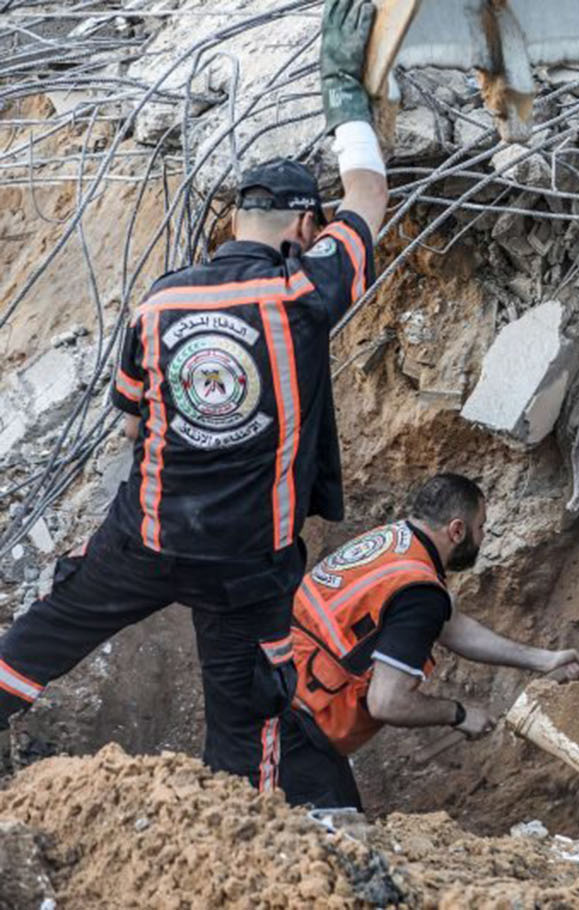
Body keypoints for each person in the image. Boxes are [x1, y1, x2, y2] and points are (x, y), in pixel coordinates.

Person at [0, 0, 388, 791]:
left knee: (32, 646)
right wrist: (345, 90)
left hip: (145, 541)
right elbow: (369, 198)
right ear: (304, 225)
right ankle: (237, 846)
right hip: (248, 563)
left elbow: (136, 414)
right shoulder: (305, 291)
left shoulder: (160, 302)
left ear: (236, 218)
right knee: (246, 721)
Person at [280, 473, 579, 810]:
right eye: (481, 527)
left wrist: (543, 660)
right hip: (295, 732)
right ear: (457, 530)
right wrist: (457, 713)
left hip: (268, 690)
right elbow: (387, 702)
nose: (483, 537)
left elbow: (451, 626)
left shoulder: (395, 543)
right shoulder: (419, 594)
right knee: (332, 844)